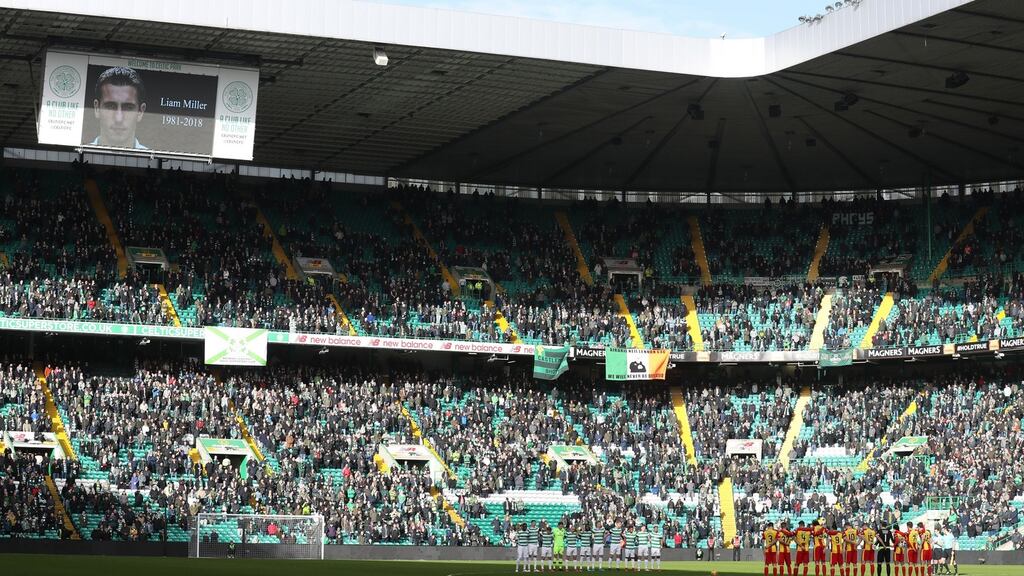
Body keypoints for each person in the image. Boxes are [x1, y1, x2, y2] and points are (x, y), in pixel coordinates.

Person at [88, 66, 148, 149]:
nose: (118, 118)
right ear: (96, 108)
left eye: (128, 108)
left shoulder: (153, 160)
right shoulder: (77, 153)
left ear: (141, 112)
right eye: (110, 106)